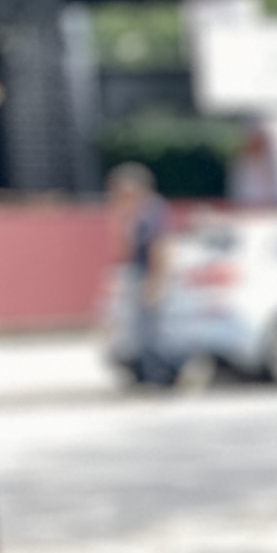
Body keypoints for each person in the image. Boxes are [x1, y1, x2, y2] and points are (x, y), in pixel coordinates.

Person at [106, 159, 171, 387]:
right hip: (138, 273)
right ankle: (141, 373)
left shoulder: (152, 211)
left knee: (149, 330)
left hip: (149, 275)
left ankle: (155, 376)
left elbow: (159, 247)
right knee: (135, 329)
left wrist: (155, 282)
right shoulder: (136, 214)